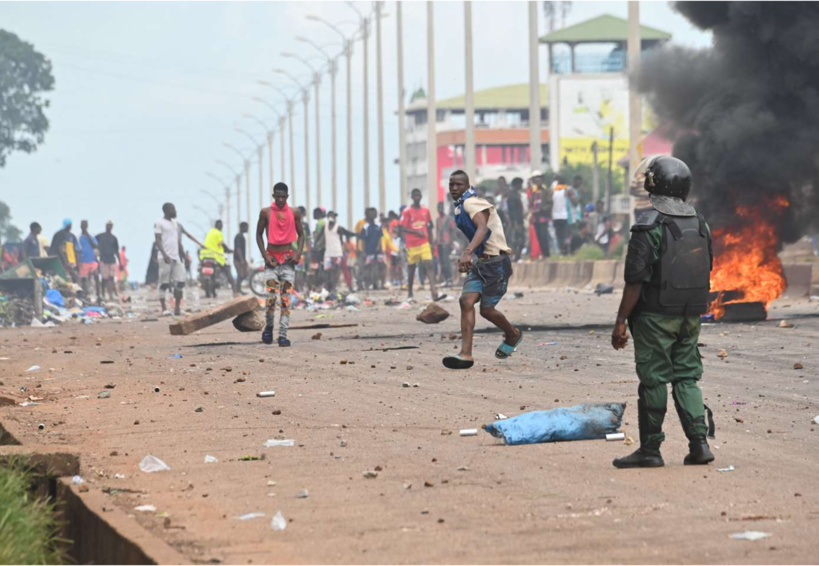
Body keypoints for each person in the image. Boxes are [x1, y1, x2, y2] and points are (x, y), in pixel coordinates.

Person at [611, 155, 715, 469]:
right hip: (690, 315)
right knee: (686, 377)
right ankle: (699, 445)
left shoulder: (648, 225)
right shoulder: (700, 222)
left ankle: (650, 450)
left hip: (655, 318)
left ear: (654, 184)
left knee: (654, 380)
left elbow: (635, 281)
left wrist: (620, 322)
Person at [443, 170, 521, 370]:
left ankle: (512, 334)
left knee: (486, 310)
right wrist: (471, 255)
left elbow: (482, 229)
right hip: (480, 263)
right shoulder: (460, 206)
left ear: (467, 186)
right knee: (465, 301)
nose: (454, 188)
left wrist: (467, 252)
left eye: (458, 185)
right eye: (451, 184)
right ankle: (466, 354)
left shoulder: (471, 203)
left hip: (496, 264)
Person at [256, 182, 305, 347]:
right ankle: (269, 328)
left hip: (288, 261)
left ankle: (283, 335)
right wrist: (265, 256)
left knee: (285, 300)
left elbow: (302, 235)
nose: (280, 199)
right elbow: (258, 235)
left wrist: (298, 254)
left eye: (283, 197)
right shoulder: (266, 213)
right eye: (278, 196)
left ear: (287, 197)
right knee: (270, 298)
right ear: (273, 196)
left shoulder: (294, 213)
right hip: (272, 261)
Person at [400, 189, 443, 301]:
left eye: (419, 195)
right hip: (412, 245)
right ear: (412, 197)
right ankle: (410, 293)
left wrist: (431, 242)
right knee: (411, 268)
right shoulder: (407, 211)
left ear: (421, 196)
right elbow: (402, 228)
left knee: (429, 265)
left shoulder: (425, 210)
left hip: (424, 243)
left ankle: (434, 292)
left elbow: (429, 226)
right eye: (415, 195)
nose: (417, 197)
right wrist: (415, 232)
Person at [154, 203, 187, 316]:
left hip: (175, 256)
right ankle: (164, 309)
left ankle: (177, 308)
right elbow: (157, 240)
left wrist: (183, 254)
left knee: (181, 282)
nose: (175, 211)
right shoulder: (159, 223)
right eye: (173, 209)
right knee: (164, 283)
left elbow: (177, 241)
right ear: (166, 210)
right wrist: (164, 254)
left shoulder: (175, 224)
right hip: (164, 257)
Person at [200, 220, 238, 296]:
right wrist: (228, 250)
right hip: (216, 257)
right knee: (228, 271)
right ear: (220, 226)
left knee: (209, 274)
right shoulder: (219, 233)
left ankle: (209, 290)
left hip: (204, 256)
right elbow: (221, 244)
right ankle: (235, 291)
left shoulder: (210, 232)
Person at [323, 211, 356, 292]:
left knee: (338, 270)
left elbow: (347, 233)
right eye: (330, 216)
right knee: (328, 271)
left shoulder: (338, 227)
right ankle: (329, 288)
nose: (331, 218)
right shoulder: (325, 227)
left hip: (337, 252)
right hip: (328, 252)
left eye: (333, 216)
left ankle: (336, 287)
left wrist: (357, 234)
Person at [95, 221, 121, 302]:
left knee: (111, 278)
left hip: (112, 260)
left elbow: (116, 250)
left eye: (110, 226)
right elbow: (93, 242)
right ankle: (102, 294)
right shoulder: (100, 236)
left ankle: (111, 295)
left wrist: (120, 261)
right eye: (108, 225)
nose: (109, 227)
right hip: (103, 260)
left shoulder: (114, 238)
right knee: (104, 278)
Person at [78, 220, 101, 302]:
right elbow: (77, 250)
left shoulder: (91, 237)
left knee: (96, 276)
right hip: (83, 261)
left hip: (92, 260)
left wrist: (88, 235)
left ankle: (99, 295)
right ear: (80, 226)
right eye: (82, 225)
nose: (84, 227)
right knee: (84, 279)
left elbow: (95, 246)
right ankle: (86, 295)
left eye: (85, 225)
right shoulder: (79, 238)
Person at [435, 202, 457, 287]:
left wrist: (451, 241)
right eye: (439, 207)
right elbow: (437, 231)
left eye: (441, 207)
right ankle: (446, 279)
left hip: (446, 242)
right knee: (441, 262)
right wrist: (436, 241)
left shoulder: (449, 219)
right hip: (440, 243)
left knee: (446, 262)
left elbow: (452, 230)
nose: (440, 209)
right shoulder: (437, 220)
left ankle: (449, 279)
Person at [551, 176, 571, 255]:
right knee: (565, 234)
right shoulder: (565, 191)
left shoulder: (553, 192)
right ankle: (566, 250)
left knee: (559, 235)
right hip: (564, 216)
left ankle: (561, 251)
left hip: (555, 217)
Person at [234, 222, 250, 293]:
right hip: (238, 259)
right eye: (246, 227)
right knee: (240, 275)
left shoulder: (241, 236)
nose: (247, 229)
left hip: (242, 259)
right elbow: (238, 248)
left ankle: (238, 289)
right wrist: (241, 260)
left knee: (244, 274)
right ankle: (237, 290)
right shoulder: (238, 236)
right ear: (242, 228)